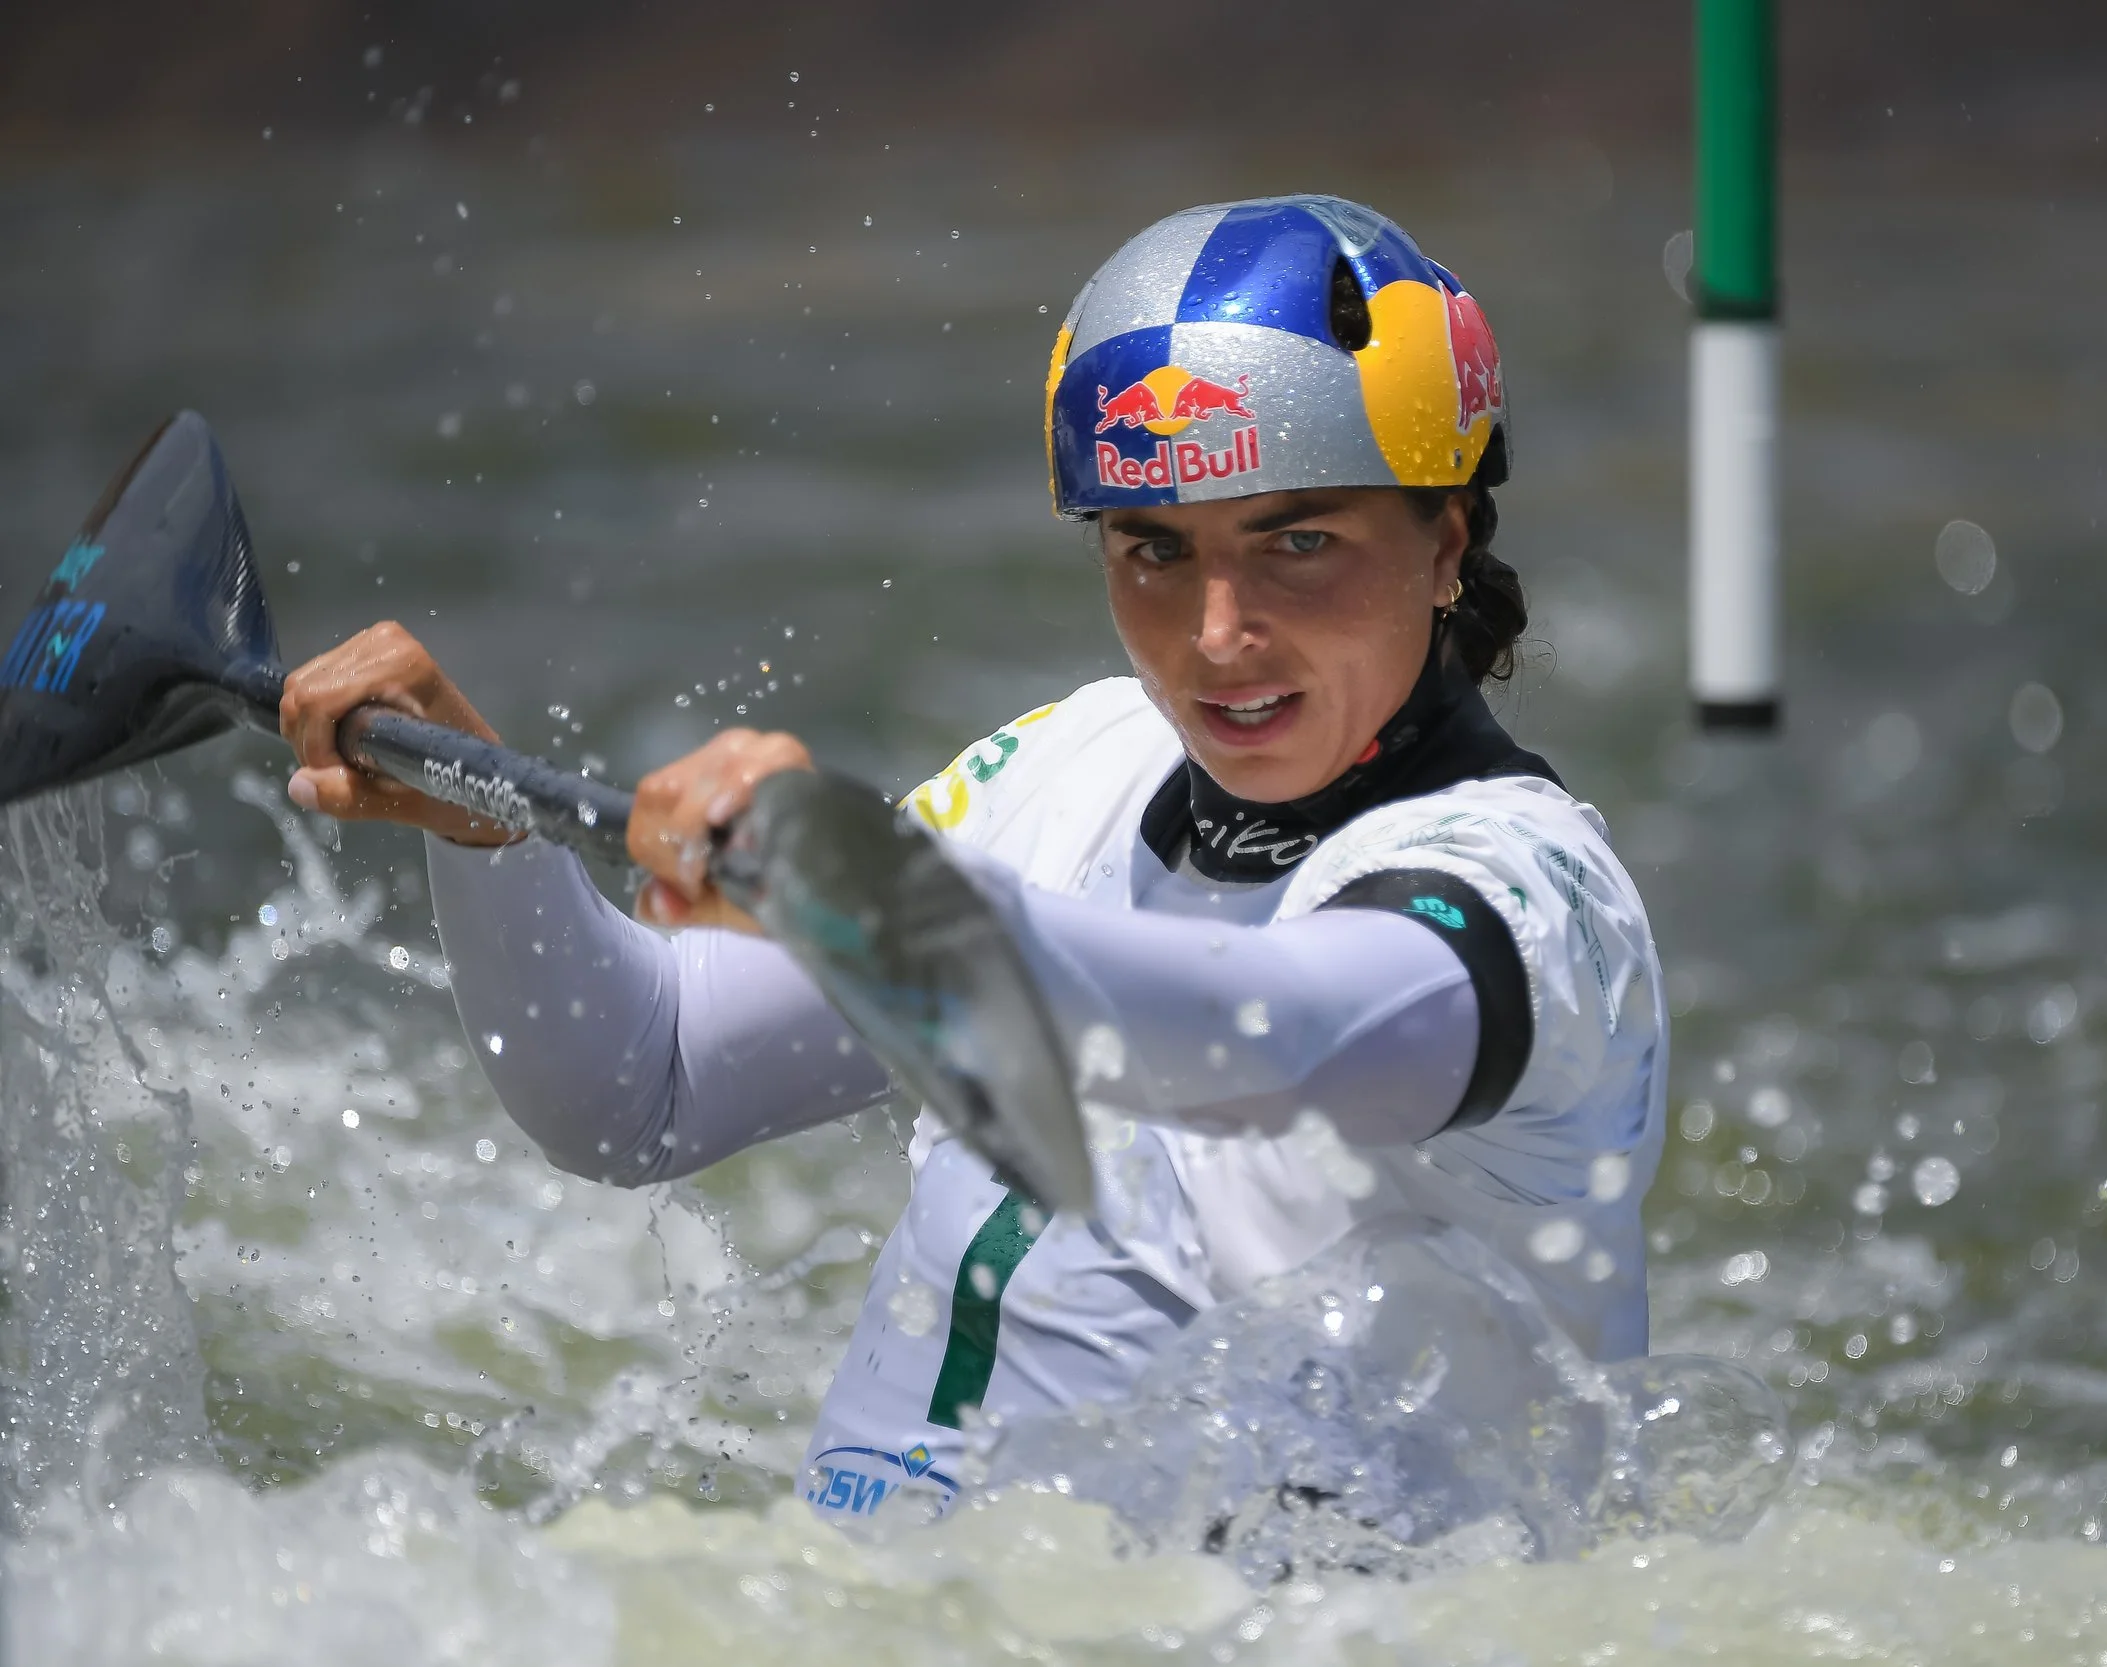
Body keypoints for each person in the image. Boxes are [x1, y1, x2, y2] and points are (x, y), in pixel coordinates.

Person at [278, 195, 1667, 1524]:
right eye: (1153, 549)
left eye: (1299, 540)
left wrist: (884, 888)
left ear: (1446, 542)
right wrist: (485, 829)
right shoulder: (1076, 761)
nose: (1218, 632)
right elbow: (640, 1087)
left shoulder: (1530, 889)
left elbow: (1283, 1040)